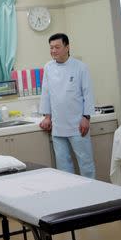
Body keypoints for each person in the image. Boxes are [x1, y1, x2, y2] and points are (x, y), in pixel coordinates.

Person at [39, 33, 96, 179]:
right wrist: (47, 116)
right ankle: (70, 198)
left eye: (57, 47)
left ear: (67, 47)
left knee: (86, 164)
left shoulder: (80, 67)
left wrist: (86, 117)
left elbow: (88, 94)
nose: (53, 51)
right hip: (58, 126)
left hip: (78, 125)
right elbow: (46, 93)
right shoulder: (48, 67)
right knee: (63, 167)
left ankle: (93, 196)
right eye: (51, 48)